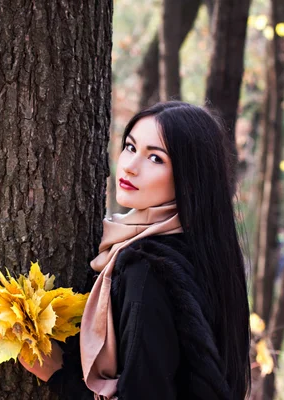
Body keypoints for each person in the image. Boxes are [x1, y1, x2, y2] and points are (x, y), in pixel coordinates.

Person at [19, 101, 251, 399]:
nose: (130, 165)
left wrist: (58, 374)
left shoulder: (148, 270)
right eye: (130, 147)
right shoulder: (205, 252)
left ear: (189, 177)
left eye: (155, 158)